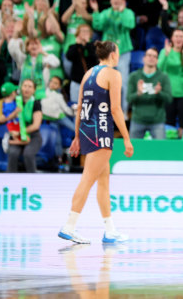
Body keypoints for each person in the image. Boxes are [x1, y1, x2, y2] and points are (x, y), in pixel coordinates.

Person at [58, 41, 134, 244]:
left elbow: (80, 107)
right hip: (100, 132)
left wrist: (76, 136)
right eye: (118, 51)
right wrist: (126, 138)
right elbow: (116, 110)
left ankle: (110, 230)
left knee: (103, 180)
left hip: (85, 129)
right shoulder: (113, 74)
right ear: (113, 54)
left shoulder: (87, 74)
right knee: (88, 179)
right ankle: (69, 226)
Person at [128, 47, 172, 140]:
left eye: (154, 56)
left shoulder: (163, 77)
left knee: (160, 153)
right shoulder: (134, 76)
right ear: (144, 58)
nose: (151, 58)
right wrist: (138, 93)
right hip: (137, 120)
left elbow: (169, 99)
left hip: (157, 121)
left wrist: (159, 93)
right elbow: (128, 99)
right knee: (133, 152)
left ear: (157, 60)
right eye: (149, 55)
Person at [158, 30, 183, 137]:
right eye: (176, 36)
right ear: (172, 38)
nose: (178, 39)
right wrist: (166, 54)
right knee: (169, 122)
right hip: (169, 92)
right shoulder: (165, 51)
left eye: (181, 36)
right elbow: (159, 68)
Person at [6, 79, 43, 173]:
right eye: (25, 86)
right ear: (21, 88)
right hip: (16, 135)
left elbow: (36, 126)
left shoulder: (36, 103)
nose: (27, 89)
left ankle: (32, 181)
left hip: (33, 136)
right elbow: (8, 119)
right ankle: (10, 180)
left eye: (30, 86)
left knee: (28, 154)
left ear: (34, 90)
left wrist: (21, 131)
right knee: (13, 153)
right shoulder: (15, 102)